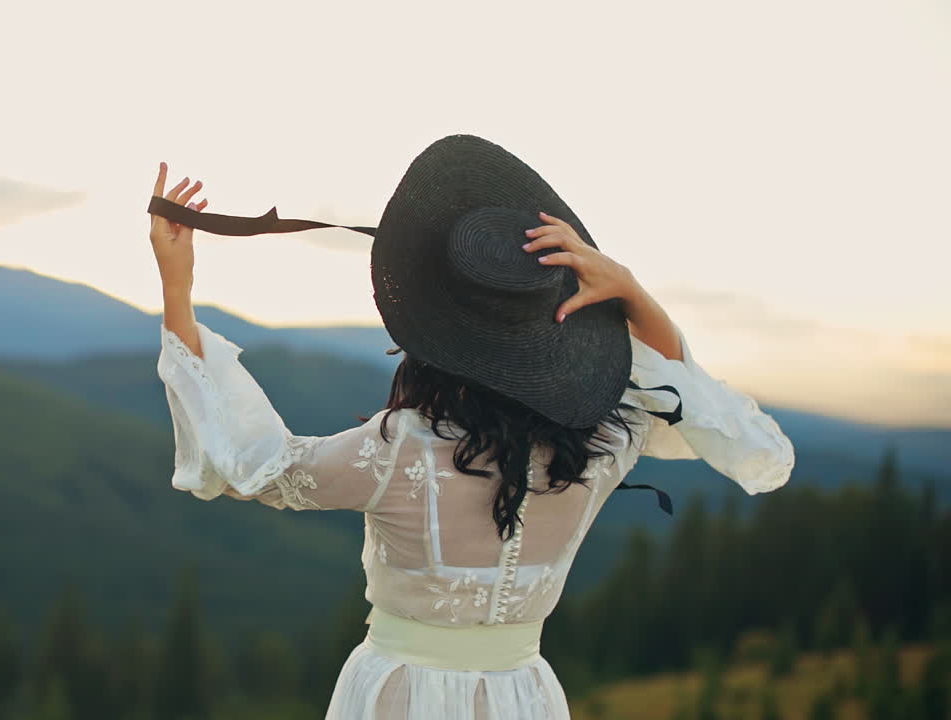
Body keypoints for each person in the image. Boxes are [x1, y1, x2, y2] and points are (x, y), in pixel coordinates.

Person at [146, 134, 795, 720]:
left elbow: (254, 464)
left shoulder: (402, 449)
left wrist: (178, 290)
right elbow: (710, 413)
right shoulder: (608, 439)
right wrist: (630, 290)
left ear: (435, 333)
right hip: (523, 698)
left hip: (397, 697)